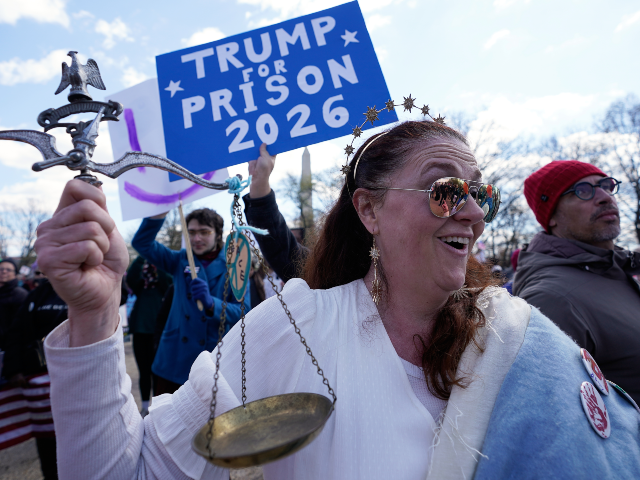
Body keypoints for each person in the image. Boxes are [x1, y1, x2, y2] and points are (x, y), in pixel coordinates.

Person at [36, 121, 639, 479]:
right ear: (369, 209)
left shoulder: (513, 337)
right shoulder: (297, 329)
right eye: (446, 189)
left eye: (481, 193)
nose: (475, 212)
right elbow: (122, 473)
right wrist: (93, 315)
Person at [514, 160, 640, 403]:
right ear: (551, 217)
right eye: (583, 191)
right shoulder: (550, 299)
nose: (605, 197)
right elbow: (555, 411)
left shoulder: (616, 267)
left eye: (606, 185)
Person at [131, 208, 250, 395]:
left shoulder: (234, 266)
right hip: (174, 361)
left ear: (218, 234)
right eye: (191, 232)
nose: (196, 239)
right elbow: (142, 243)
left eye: (204, 232)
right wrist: (159, 213)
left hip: (213, 362)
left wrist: (212, 304)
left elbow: (243, 313)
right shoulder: (179, 260)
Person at [126, 256, 172, 415]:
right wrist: (143, 254)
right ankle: (145, 406)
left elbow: (169, 281)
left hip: (159, 330)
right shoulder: (140, 286)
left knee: (158, 372)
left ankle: (157, 407)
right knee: (144, 371)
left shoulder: (163, 285)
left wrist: (157, 260)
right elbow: (131, 277)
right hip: (140, 329)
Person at [0, 259, 28, 352]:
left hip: (10, 347)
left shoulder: (20, 294)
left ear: (15, 274)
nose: (4, 271)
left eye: (8, 270)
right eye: (1, 269)